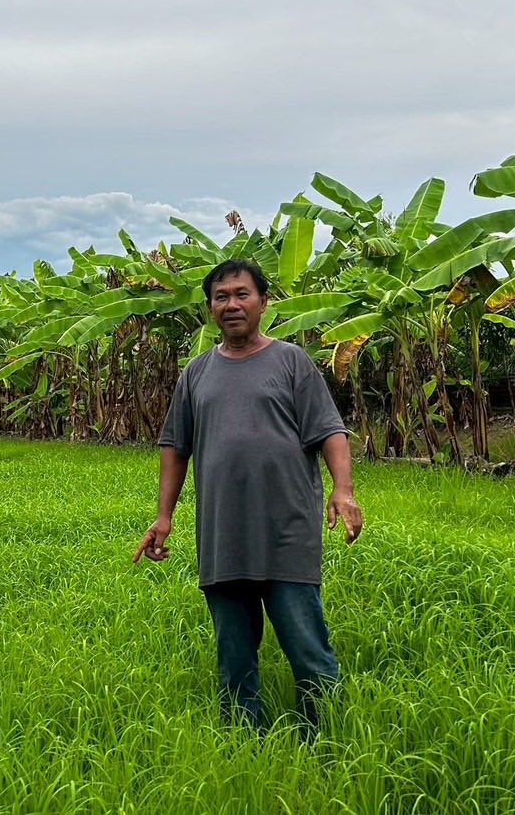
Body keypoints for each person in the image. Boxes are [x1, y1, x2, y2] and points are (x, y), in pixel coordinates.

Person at [133, 257, 363, 734]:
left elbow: (330, 432)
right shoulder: (196, 373)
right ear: (210, 308)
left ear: (263, 301)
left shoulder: (291, 361)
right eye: (221, 297)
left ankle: (324, 741)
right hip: (223, 535)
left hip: (287, 532)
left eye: (242, 294)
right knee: (234, 657)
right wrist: (163, 517)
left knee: (307, 648)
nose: (231, 304)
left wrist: (343, 491)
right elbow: (175, 447)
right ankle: (244, 740)